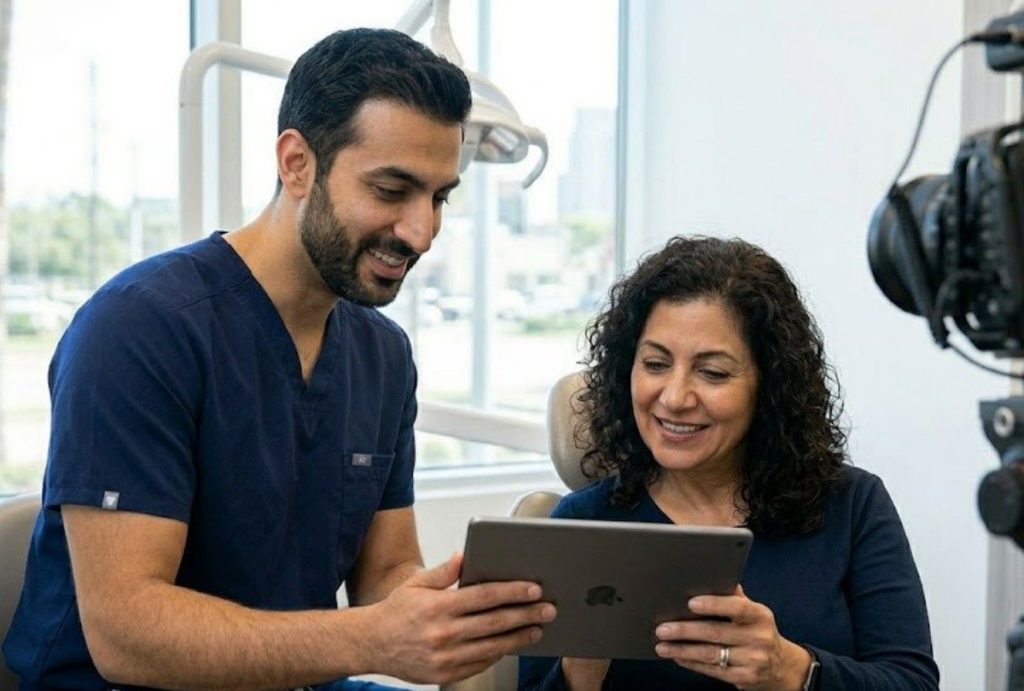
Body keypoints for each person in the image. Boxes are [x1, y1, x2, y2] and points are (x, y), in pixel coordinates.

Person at [3, 28, 556, 690]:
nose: (421, 231)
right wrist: (374, 638)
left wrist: (447, 609)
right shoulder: (140, 328)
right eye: (391, 189)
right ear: (297, 163)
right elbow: (127, 630)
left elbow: (385, 572)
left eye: (439, 197)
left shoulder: (382, 355)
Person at [518, 236, 939, 690]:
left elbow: (912, 682)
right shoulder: (580, 527)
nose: (675, 397)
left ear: (769, 384)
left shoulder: (851, 505)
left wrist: (791, 670)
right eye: (655, 364)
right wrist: (581, 669)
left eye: (713, 372)